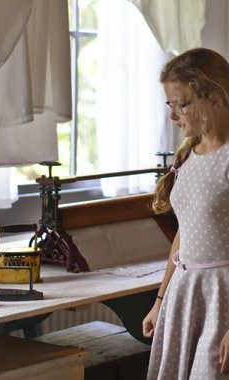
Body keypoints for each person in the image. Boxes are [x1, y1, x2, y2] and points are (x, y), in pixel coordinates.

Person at [142, 47, 229, 379]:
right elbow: (184, 235)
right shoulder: (188, 155)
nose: (173, 115)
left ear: (215, 99)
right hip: (184, 292)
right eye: (171, 104)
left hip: (221, 296)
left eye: (182, 104)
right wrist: (160, 300)